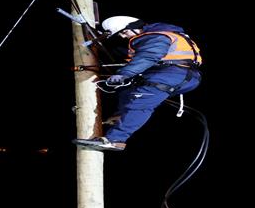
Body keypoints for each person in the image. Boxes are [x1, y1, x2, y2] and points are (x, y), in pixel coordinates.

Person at [73, 16, 202, 151]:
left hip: (172, 73)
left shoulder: (156, 37)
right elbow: (137, 56)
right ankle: (121, 116)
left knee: (140, 101)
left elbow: (147, 56)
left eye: (123, 32)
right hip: (178, 74)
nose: (123, 37)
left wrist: (124, 74)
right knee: (128, 90)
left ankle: (115, 139)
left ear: (132, 28)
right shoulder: (161, 36)